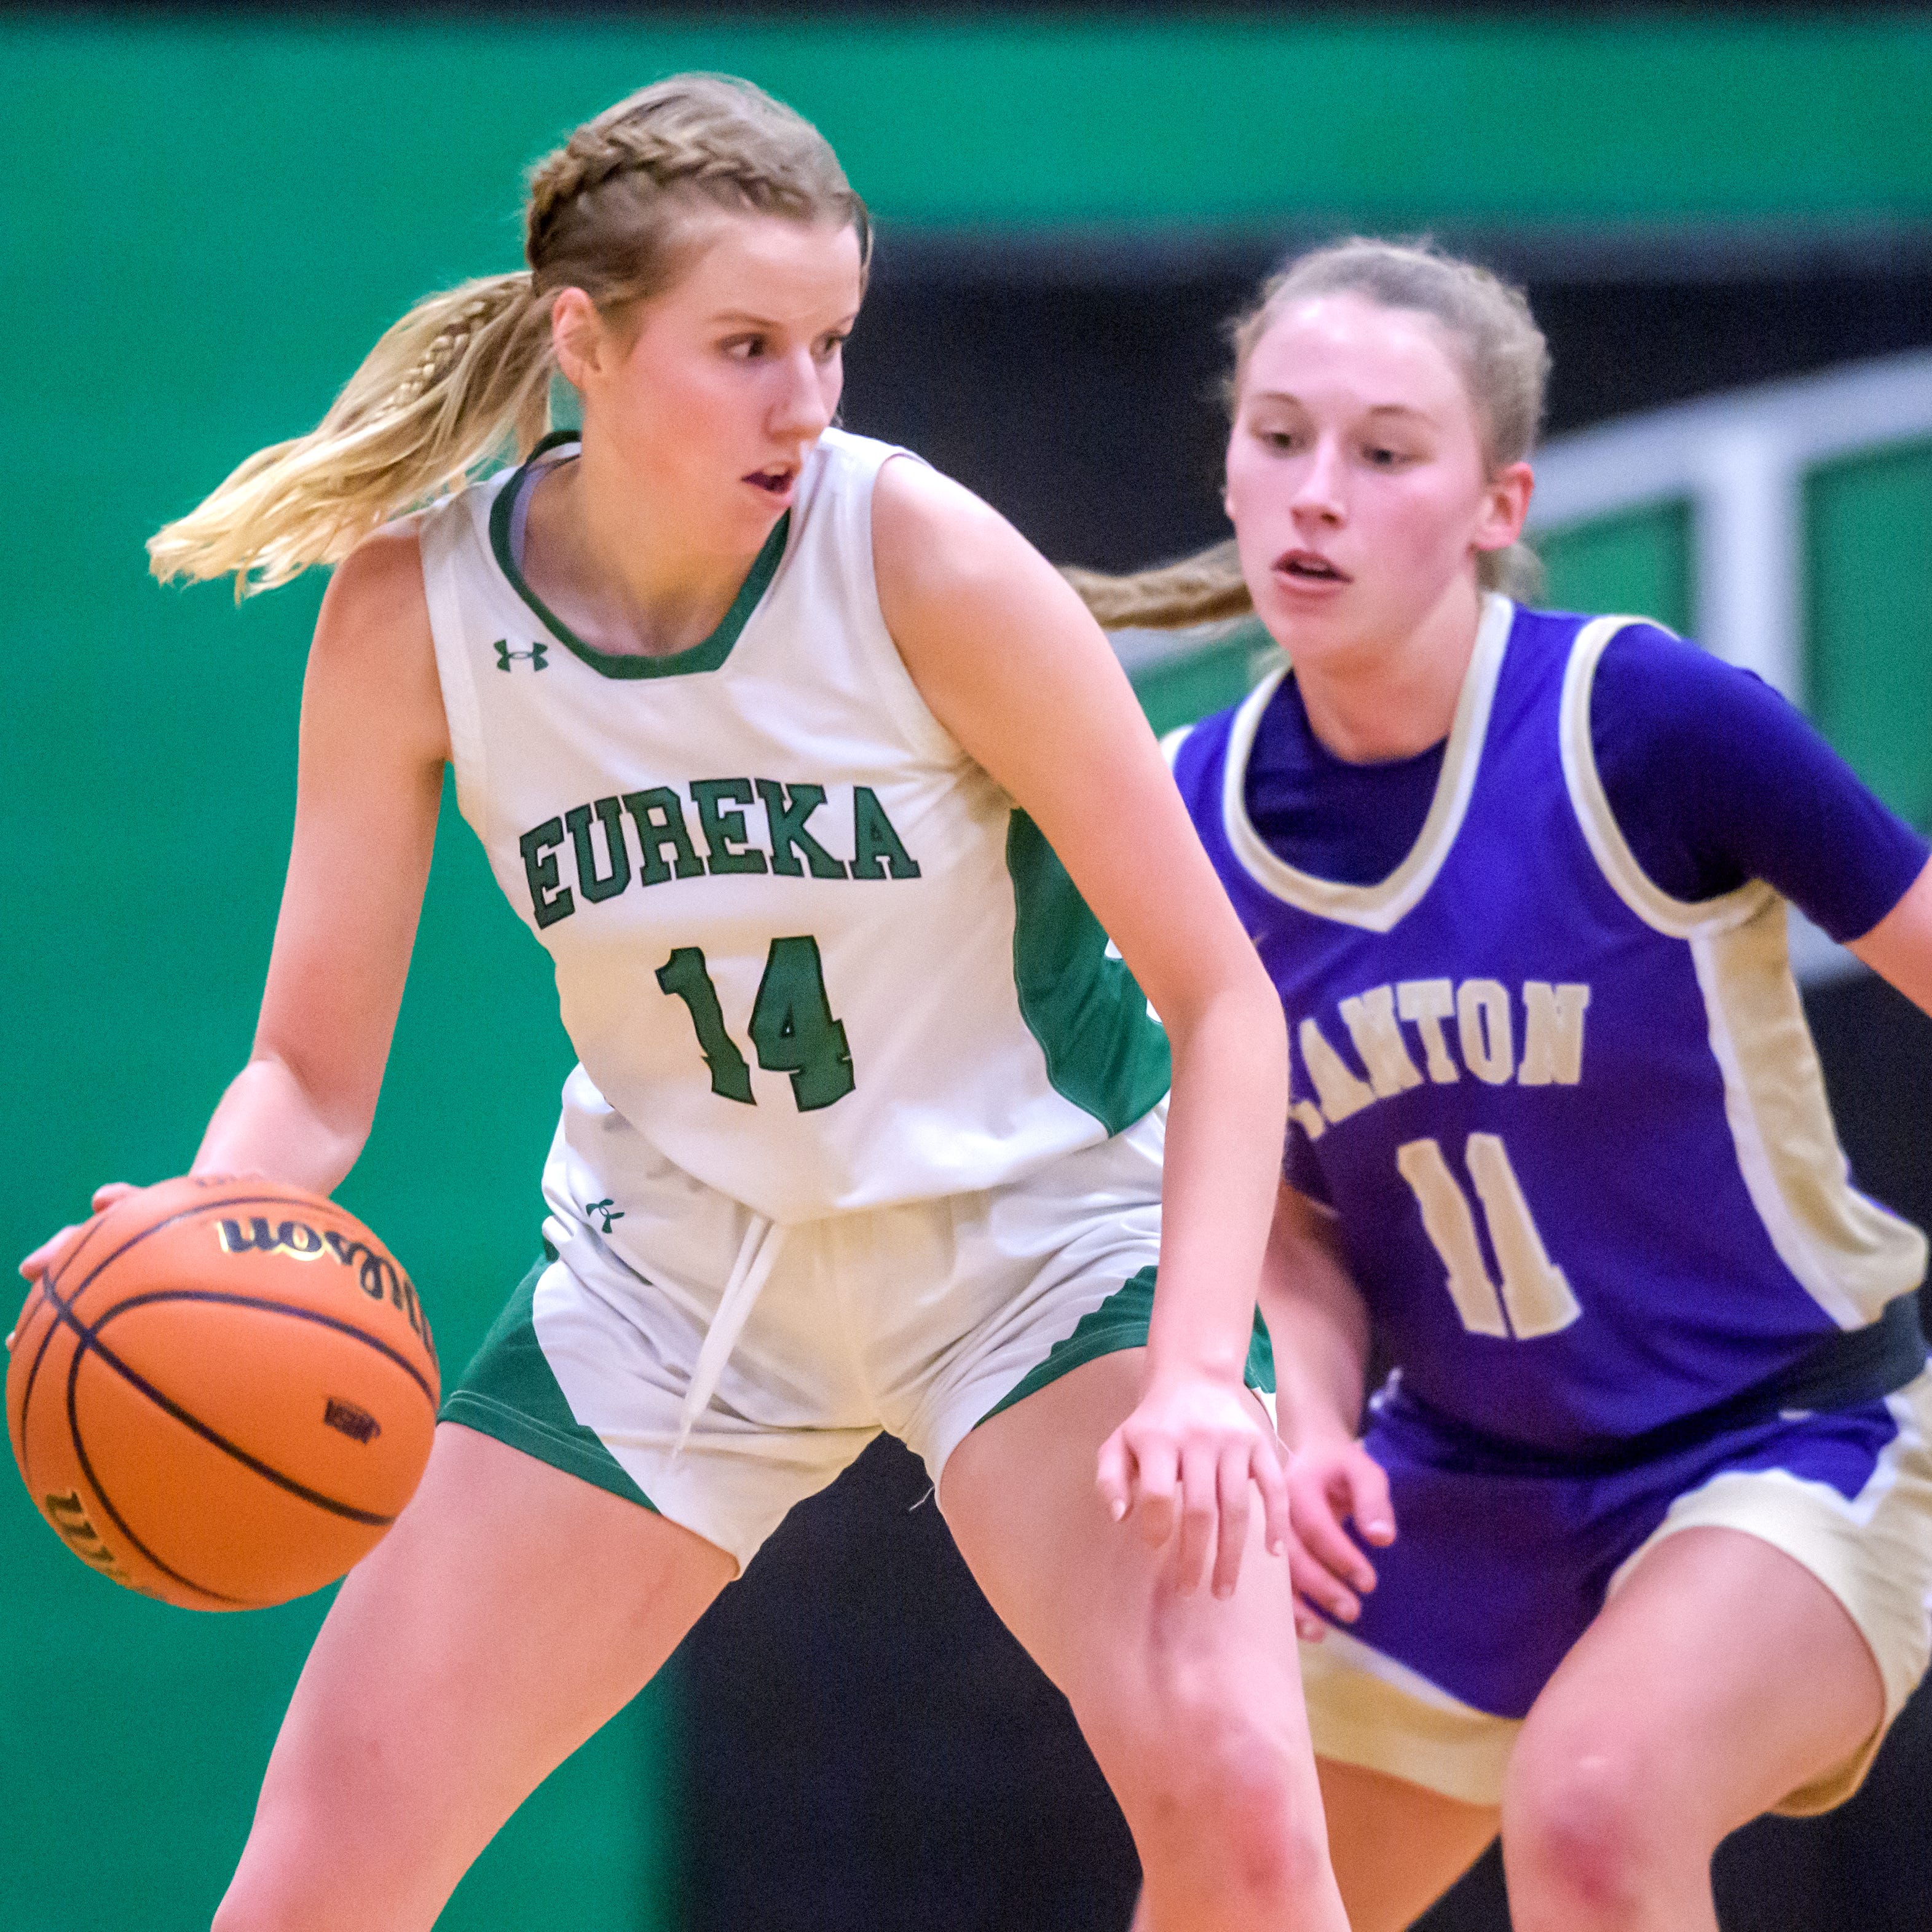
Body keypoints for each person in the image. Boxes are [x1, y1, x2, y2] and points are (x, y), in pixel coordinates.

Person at [20, 78, 1351, 1932]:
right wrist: (198, 1217)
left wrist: (1206, 1367)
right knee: (318, 1878)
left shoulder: (920, 558)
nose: (804, 400)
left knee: (1247, 1822)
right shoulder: (420, 610)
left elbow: (1224, 1006)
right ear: (588, 338)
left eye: (828, 345)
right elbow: (306, 1077)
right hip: (678, 1268)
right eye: (745, 347)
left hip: (1038, 1241)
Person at [1068, 238, 1932, 1932]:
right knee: (1230, 1879)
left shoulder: (1648, 720)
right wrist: (1309, 1419)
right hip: (1461, 1481)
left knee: (1599, 1811)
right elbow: (1287, 1218)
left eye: (1385, 454)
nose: (1317, 495)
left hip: (1791, 1433)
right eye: (1279, 438)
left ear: (1493, 501)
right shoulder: (1185, 821)